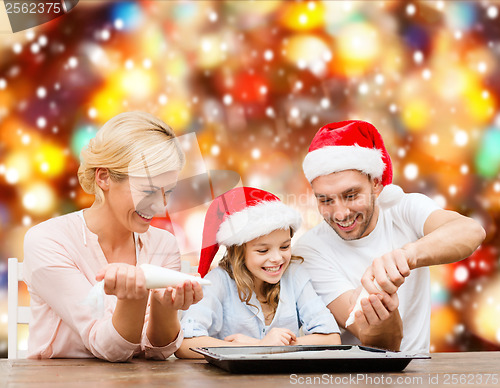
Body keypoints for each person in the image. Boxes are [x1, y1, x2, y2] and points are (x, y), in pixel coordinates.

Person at [23, 111, 203, 362]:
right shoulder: (48, 240)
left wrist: (166, 308)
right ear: (104, 177)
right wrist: (134, 297)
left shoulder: (164, 244)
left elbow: (158, 351)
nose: (161, 208)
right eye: (148, 191)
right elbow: (108, 348)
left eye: (168, 192)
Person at [293, 120, 486, 352]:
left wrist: (406, 256)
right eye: (325, 200)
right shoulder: (309, 251)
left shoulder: (404, 209)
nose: (340, 213)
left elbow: (471, 231)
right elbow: (375, 342)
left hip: (419, 373)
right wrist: (384, 310)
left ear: (375, 183)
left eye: (351, 195)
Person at [175, 187, 341, 359]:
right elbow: (186, 344)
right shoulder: (218, 281)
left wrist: (270, 347)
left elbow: (332, 338)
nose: (277, 258)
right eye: (263, 251)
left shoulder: (294, 275)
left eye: (284, 246)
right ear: (238, 251)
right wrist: (261, 345)